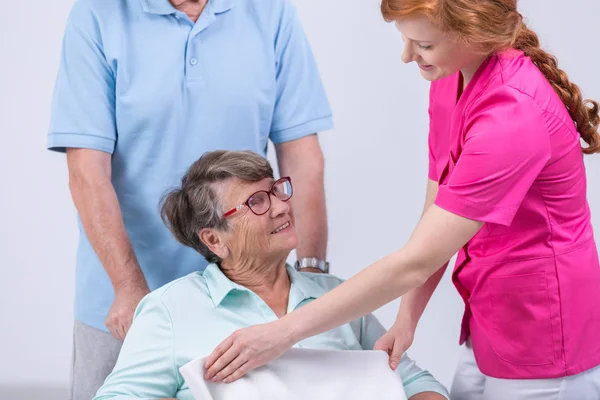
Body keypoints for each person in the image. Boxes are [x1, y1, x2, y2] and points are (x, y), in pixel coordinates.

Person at [203, 1, 600, 398]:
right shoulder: (450, 78)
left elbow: (415, 261)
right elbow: (435, 216)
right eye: (406, 39)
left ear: (475, 35)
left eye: (423, 44)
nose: (407, 56)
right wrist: (407, 319)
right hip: (491, 316)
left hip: (546, 335)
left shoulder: (512, 115)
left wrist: (283, 333)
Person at [47, 0, 332, 398]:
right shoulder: (97, 15)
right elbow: (87, 172)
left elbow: (302, 156)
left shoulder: (269, 11)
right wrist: (128, 287)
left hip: (246, 302)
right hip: (124, 302)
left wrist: (313, 275)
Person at [92, 150, 449, 400]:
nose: (281, 206)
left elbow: (417, 384)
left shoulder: (338, 298)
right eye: (257, 201)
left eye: (276, 189)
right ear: (215, 239)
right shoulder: (169, 310)